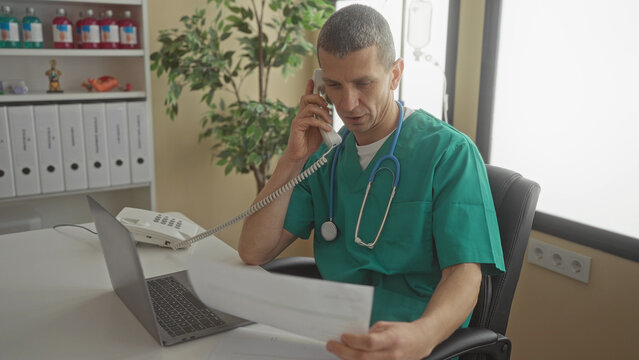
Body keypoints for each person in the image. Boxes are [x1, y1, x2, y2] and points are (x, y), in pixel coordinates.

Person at [239, 4, 505, 360]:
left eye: (364, 83)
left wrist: (421, 337)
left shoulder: (449, 153)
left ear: (395, 74)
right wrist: (292, 159)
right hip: (333, 338)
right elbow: (254, 250)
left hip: (413, 343)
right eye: (333, 85)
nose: (348, 103)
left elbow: (465, 274)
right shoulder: (322, 160)